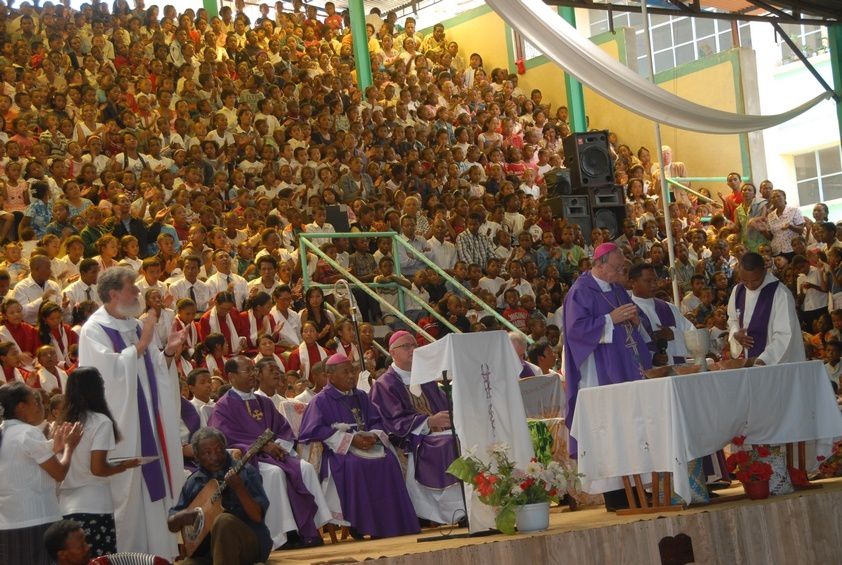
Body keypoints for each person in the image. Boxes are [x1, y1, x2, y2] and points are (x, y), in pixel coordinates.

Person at [77, 267, 187, 557]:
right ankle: (129, 559)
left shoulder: (135, 325)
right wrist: (140, 346)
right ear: (114, 293)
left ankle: (159, 558)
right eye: (132, 287)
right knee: (128, 497)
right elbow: (104, 378)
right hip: (123, 429)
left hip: (149, 424)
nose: (138, 292)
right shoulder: (94, 329)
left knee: (153, 492)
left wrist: (170, 352)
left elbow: (153, 373)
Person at [562, 242, 652, 511]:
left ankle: (637, 487)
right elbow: (576, 331)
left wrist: (638, 322)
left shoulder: (617, 290)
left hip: (626, 369)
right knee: (610, 430)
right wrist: (610, 319)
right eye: (616, 268)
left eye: (621, 268)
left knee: (631, 427)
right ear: (600, 264)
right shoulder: (580, 291)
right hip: (599, 374)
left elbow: (639, 322)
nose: (620, 273)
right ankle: (615, 495)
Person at [209, 356, 330, 549]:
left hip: (274, 454)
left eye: (253, 370)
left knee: (305, 468)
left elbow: (282, 428)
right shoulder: (223, 407)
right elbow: (225, 440)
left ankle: (310, 529)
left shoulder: (263, 402)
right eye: (247, 371)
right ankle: (281, 535)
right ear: (231, 377)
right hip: (248, 460)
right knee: (274, 474)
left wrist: (279, 446)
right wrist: (261, 447)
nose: (253, 375)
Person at [298, 353, 420, 539]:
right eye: (345, 372)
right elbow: (313, 431)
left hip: (368, 443)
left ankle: (392, 522)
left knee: (388, 461)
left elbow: (377, 421)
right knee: (354, 465)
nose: (351, 376)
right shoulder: (320, 401)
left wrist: (373, 436)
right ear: (330, 376)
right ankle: (359, 524)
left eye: (353, 371)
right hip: (339, 451)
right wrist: (350, 440)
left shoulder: (361, 396)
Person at [370, 330, 464, 525]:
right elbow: (392, 421)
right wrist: (429, 422)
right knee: (449, 443)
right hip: (411, 439)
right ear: (393, 352)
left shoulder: (426, 378)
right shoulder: (384, 385)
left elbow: (445, 405)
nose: (413, 349)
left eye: (414, 345)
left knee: (464, 437)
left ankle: (468, 504)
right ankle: (454, 511)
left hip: (438, 433)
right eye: (406, 346)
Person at [58, 366, 140, 557]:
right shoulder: (100, 422)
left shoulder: (62, 421)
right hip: (94, 506)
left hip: (66, 506)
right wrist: (123, 465)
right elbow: (98, 468)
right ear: (95, 389)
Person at [0, 382, 82, 565]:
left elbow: (24, 463)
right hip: (36, 519)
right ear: (21, 407)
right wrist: (69, 447)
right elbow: (59, 473)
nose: (40, 407)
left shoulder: (5, 432)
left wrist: (56, 447)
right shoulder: (27, 433)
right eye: (35, 402)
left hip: (9, 522)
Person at [168, 427, 272, 565]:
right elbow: (172, 524)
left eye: (219, 450)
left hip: (248, 545)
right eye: (207, 453)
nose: (215, 457)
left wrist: (239, 488)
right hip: (207, 553)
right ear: (197, 456)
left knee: (223, 521)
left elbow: (257, 516)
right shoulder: (193, 481)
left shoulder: (246, 472)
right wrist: (180, 517)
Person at [727, 252, 806, 365]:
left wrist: (764, 359)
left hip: (774, 363)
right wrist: (735, 334)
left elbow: (785, 334)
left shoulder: (780, 294)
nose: (750, 285)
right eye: (745, 280)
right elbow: (733, 319)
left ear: (764, 271)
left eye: (755, 280)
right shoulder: (738, 291)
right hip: (748, 360)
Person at [628, 264, 695, 366]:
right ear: (633, 282)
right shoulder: (628, 312)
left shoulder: (669, 308)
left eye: (655, 280)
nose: (654, 285)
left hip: (678, 369)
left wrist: (673, 334)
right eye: (648, 281)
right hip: (648, 374)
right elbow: (628, 345)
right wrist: (651, 357)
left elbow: (693, 335)